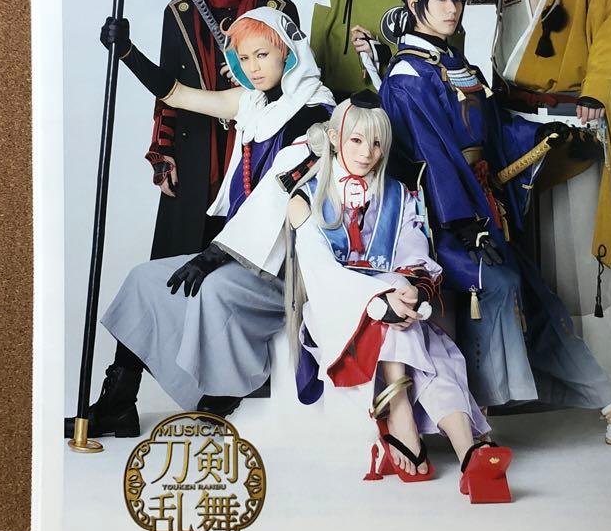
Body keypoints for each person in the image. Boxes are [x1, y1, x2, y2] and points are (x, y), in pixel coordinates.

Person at [380, 0, 611, 447]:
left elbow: (495, 129)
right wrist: (464, 223)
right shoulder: (406, 76)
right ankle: (478, 425)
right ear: (413, 1)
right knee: (501, 283)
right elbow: (433, 156)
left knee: (538, 293)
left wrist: (547, 135)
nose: (452, 8)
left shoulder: (457, 65)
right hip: (437, 222)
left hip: (483, 208)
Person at [218, 92, 511, 502]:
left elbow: (413, 253)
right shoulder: (305, 198)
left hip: (392, 302)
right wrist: (380, 299)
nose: (367, 153)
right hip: (335, 311)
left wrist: (410, 291)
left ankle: (469, 458)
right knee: (401, 329)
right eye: (356, 140)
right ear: (335, 138)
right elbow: (321, 273)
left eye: (376, 143)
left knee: (431, 347)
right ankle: (417, 424)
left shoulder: (400, 195)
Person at [64, 6, 332, 438]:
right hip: (240, 252)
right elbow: (178, 95)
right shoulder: (254, 104)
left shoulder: (315, 114)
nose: (253, 67)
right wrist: (127, 52)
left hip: (285, 266)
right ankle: (119, 404)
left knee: (215, 288)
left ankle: (221, 394)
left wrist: (212, 256)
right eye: (244, 58)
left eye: (263, 55)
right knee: (143, 279)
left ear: (287, 52)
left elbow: (278, 193)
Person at [470, 0, 611, 375]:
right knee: (529, 248)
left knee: (577, 251)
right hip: (515, 128)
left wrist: (596, 96)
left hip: (569, 126)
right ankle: (543, 369)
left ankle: (596, 373)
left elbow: (610, 41)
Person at [142, 0, 298, 260]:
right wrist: (163, 152)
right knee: (180, 258)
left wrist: (253, 78)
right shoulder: (181, 11)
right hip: (195, 143)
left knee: (247, 259)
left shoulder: (278, 9)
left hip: (256, 147)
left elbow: (295, 85)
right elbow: (167, 88)